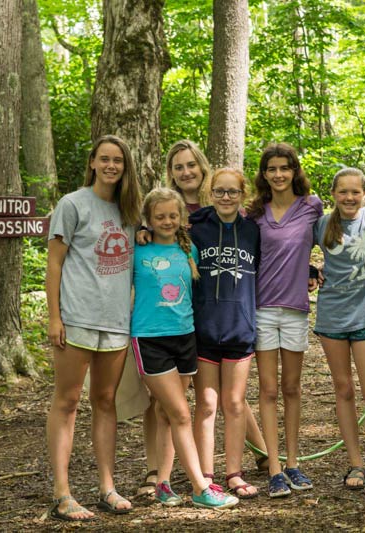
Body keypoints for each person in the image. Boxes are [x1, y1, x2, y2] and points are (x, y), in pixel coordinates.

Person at [131, 141, 268, 497]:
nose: (186, 172)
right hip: (180, 328)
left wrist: (310, 269)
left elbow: (270, 258)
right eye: (179, 167)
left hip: (223, 326)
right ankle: (168, 472)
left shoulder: (236, 224)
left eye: (191, 165)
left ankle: (247, 461)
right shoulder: (184, 224)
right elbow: (148, 244)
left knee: (229, 401)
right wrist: (140, 232)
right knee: (182, 404)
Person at [45, 135, 142, 521]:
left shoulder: (129, 211)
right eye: (104, 159)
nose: (111, 166)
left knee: (106, 402)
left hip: (116, 324)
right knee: (67, 402)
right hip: (76, 320)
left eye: (118, 160)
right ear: (92, 163)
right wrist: (55, 318)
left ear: (125, 166)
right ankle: (62, 492)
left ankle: (106, 486)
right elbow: (55, 264)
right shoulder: (72, 204)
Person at [131, 188, 239, 509]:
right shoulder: (137, 251)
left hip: (185, 337)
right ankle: (200, 487)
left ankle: (163, 483)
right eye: (159, 216)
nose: (166, 221)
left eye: (172, 216)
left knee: (167, 413)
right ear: (148, 220)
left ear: (181, 218)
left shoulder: (187, 248)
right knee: (180, 413)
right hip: (150, 339)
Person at [249, 143, 323, 498]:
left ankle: (294, 463)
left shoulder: (312, 207)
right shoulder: (255, 213)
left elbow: (333, 237)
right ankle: (274, 468)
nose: (278, 175)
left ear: (295, 171)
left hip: (295, 308)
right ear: (264, 174)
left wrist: (312, 268)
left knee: (292, 389)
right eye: (271, 169)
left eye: (285, 168)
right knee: (268, 390)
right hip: (262, 308)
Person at [313, 168, 365, 490]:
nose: (349, 198)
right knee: (343, 389)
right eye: (342, 192)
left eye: (355, 192)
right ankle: (355, 462)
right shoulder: (321, 224)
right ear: (333, 194)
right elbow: (289, 251)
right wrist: (309, 270)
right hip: (331, 316)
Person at [190, 168, 261, 500]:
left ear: (243, 194)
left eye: (233, 192)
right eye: (220, 191)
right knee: (206, 404)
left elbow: (274, 265)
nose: (226, 198)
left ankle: (234, 473)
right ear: (210, 192)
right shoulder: (196, 228)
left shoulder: (253, 230)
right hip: (205, 328)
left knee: (234, 404)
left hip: (240, 328)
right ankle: (205, 473)